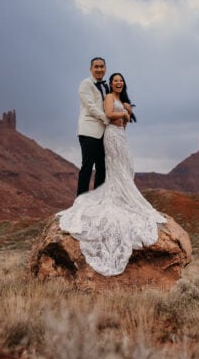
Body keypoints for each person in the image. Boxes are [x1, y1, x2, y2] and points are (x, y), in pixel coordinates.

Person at [59, 72, 166, 276]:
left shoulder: (123, 100)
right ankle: (106, 199)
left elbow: (124, 125)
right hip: (111, 136)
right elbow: (108, 114)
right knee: (115, 167)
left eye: (121, 81)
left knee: (124, 168)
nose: (118, 83)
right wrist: (124, 113)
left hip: (120, 136)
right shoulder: (110, 98)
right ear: (112, 84)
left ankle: (121, 197)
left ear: (124, 84)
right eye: (115, 81)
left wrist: (125, 113)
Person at [76, 56, 109, 195]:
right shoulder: (85, 83)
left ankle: (98, 199)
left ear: (105, 68)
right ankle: (81, 200)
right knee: (87, 166)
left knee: (102, 167)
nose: (99, 69)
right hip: (88, 131)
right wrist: (106, 118)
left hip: (103, 133)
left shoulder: (106, 86)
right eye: (96, 67)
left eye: (102, 66)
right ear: (91, 69)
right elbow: (90, 106)